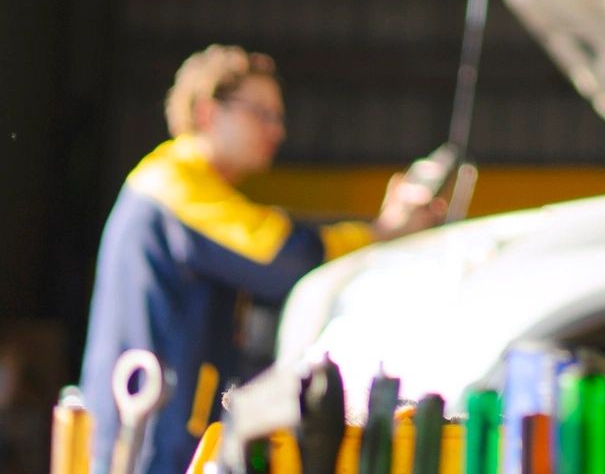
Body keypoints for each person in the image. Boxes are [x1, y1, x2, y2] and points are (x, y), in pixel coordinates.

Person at [78, 47, 442, 474]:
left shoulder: (183, 190)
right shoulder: (175, 188)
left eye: (278, 116)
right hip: (146, 443)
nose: (277, 130)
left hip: (160, 435)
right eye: (261, 113)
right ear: (209, 113)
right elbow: (290, 257)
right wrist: (385, 233)